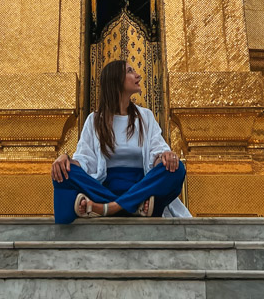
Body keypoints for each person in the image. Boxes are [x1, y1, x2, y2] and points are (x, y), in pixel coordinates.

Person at [51, 59, 190, 222]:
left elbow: (157, 154)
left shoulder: (145, 117)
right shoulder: (94, 120)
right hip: (106, 188)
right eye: (130, 71)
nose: (138, 75)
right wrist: (65, 159)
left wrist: (166, 157)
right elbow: (84, 160)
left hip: (142, 187)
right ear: (116, 79)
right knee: (61, 172)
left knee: (177, 169)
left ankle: (111, 207)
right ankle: (131, 207)